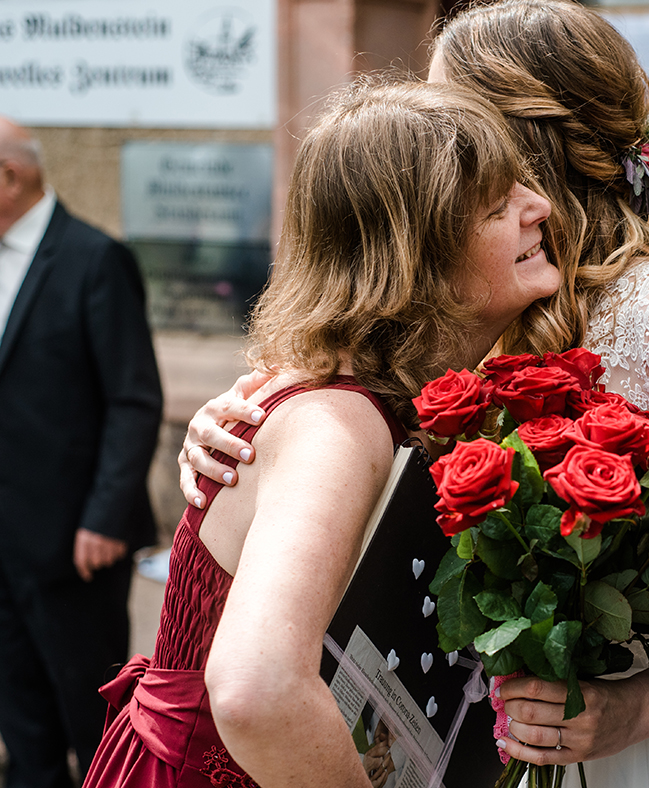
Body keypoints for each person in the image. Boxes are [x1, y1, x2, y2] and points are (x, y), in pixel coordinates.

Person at [177, 2, 649, 786]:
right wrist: (237, 428)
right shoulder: (479, 304)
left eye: (454, 114)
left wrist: (641, 709)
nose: (428, 132)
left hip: (633, 745)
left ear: (521, 144)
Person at [80, 76, 558, 788]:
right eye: (496, 206)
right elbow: (256, 692)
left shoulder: (379, 400)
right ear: (416, 255)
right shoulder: (334, 426)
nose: (540, 207)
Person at [0, 117, 163, 788]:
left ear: (9, 176)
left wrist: (103, 517)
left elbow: (134, 399)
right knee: (22, 721)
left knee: (90, 723)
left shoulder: (96, 258)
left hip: (76, 547)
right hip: (3, 540)